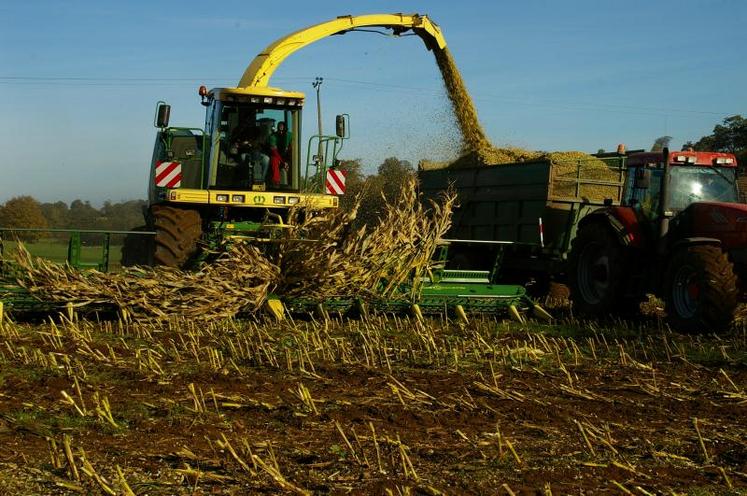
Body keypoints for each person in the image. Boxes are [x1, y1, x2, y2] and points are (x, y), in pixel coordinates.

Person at [269, 122, 292, 187]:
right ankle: (276, 182)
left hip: (287, 155)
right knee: (274, 160)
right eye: (280, 127)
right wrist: (283, 162)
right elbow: (274, 151)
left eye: (283, 127)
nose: (281, 129)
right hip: (277, 156)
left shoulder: (290, 135)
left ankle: (291, 183)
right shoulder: (273, 137)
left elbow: (293, 147)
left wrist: (287, 161)